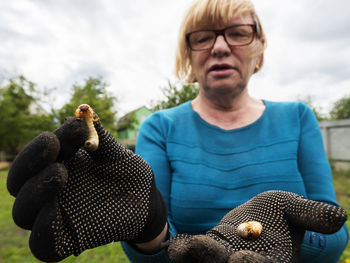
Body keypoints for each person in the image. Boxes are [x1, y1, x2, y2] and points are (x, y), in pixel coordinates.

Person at [121, 0, 349, 262]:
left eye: (238, 34)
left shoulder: (298, 118)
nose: (219, 48)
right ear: (189, 53)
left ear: (259, 46)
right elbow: (151, 247)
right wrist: (146, 231)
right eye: (203, 37)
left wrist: (281, 234)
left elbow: (335, 231)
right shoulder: (159, 128)